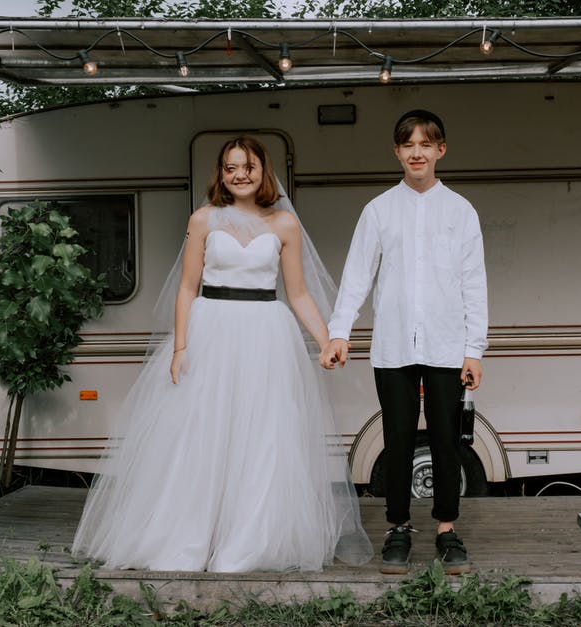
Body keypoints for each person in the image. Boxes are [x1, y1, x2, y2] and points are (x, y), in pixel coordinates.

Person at [73, 136, 371, 572]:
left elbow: (300, 294)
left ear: (262, 171)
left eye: (248, 166)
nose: (239, 174)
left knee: (262, 436)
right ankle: (190, 538)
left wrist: (327, 339)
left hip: (266, 333)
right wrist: (179, 346)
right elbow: (187, 288)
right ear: (221, 173)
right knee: (202, 432)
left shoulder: (284, 225)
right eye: (231, 167)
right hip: (210, 329)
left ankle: (248, 541)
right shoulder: (204, 219)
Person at [320, 109, 488, 575]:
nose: (417, 152)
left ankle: (446, 530)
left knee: (445, 440)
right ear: (397, 151)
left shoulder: (461, 211)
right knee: (395, 440)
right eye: (408, 144)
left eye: (426, 143)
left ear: (440, 150)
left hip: (446, 346)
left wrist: (475, 348)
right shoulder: (377, 211)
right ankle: (397, 527)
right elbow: (357, 276)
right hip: (392, 346)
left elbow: (474, 283)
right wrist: (339, 332)